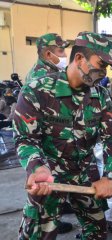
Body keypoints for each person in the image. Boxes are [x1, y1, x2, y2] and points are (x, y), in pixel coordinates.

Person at [14, 31, 112, 240]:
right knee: (37, 236)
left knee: (97, 232)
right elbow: (25, 139)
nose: (103, 73)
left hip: (84, 172)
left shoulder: (100, 96)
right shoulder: (38, 91)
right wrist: (37, 167)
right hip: (49, 176)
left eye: (106, 68)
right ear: (80, 59)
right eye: (100, 65)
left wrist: (109, 176)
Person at [24, 32, 73, 233]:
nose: (64, 54)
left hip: (54, 145)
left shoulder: (48, 71)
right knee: (46, 198)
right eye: (61, 50)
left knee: (58, 185)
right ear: (47, 53)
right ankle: (52, 221)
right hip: (46, 148)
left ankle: (59, 205)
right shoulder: (42, 78)